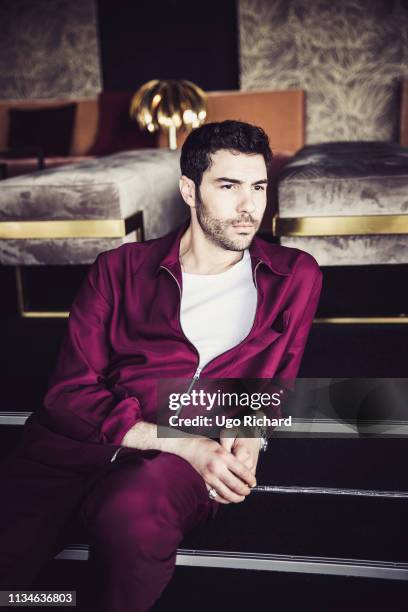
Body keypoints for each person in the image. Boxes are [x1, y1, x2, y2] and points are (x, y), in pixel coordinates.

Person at [0, 120, 322, 611]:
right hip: (69, 450)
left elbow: (278, 377)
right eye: (228, 186)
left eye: (258, 186)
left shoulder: (293, 275)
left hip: (173, 466)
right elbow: (67, 395)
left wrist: (252, 432)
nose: (249, 207)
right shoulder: (119, 269)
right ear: (188, 191)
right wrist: (182, 442)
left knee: (131, 514)